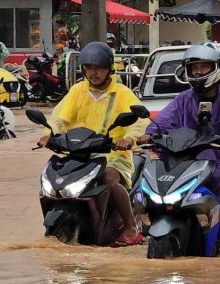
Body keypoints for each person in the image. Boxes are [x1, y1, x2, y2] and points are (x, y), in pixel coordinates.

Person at [138, 43, 220, 257]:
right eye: (195, 68)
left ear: (217, 68)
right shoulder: (183, 99)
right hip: (189, 161)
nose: (199, 72)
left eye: (204, 67)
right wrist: (149, 134)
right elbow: (163, 121)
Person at [38, 41, 148, 247]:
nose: (93, 73)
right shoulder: (78, 91)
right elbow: (59, 118)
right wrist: (48, 134)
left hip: (113, 156)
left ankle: (131, 227)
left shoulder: (122, 93)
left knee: (108, 178)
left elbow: (140, 120)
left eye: (98, 68)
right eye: (89, 68)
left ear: (109, 70)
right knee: (53, 175)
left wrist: (130, 138)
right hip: (79, 155)